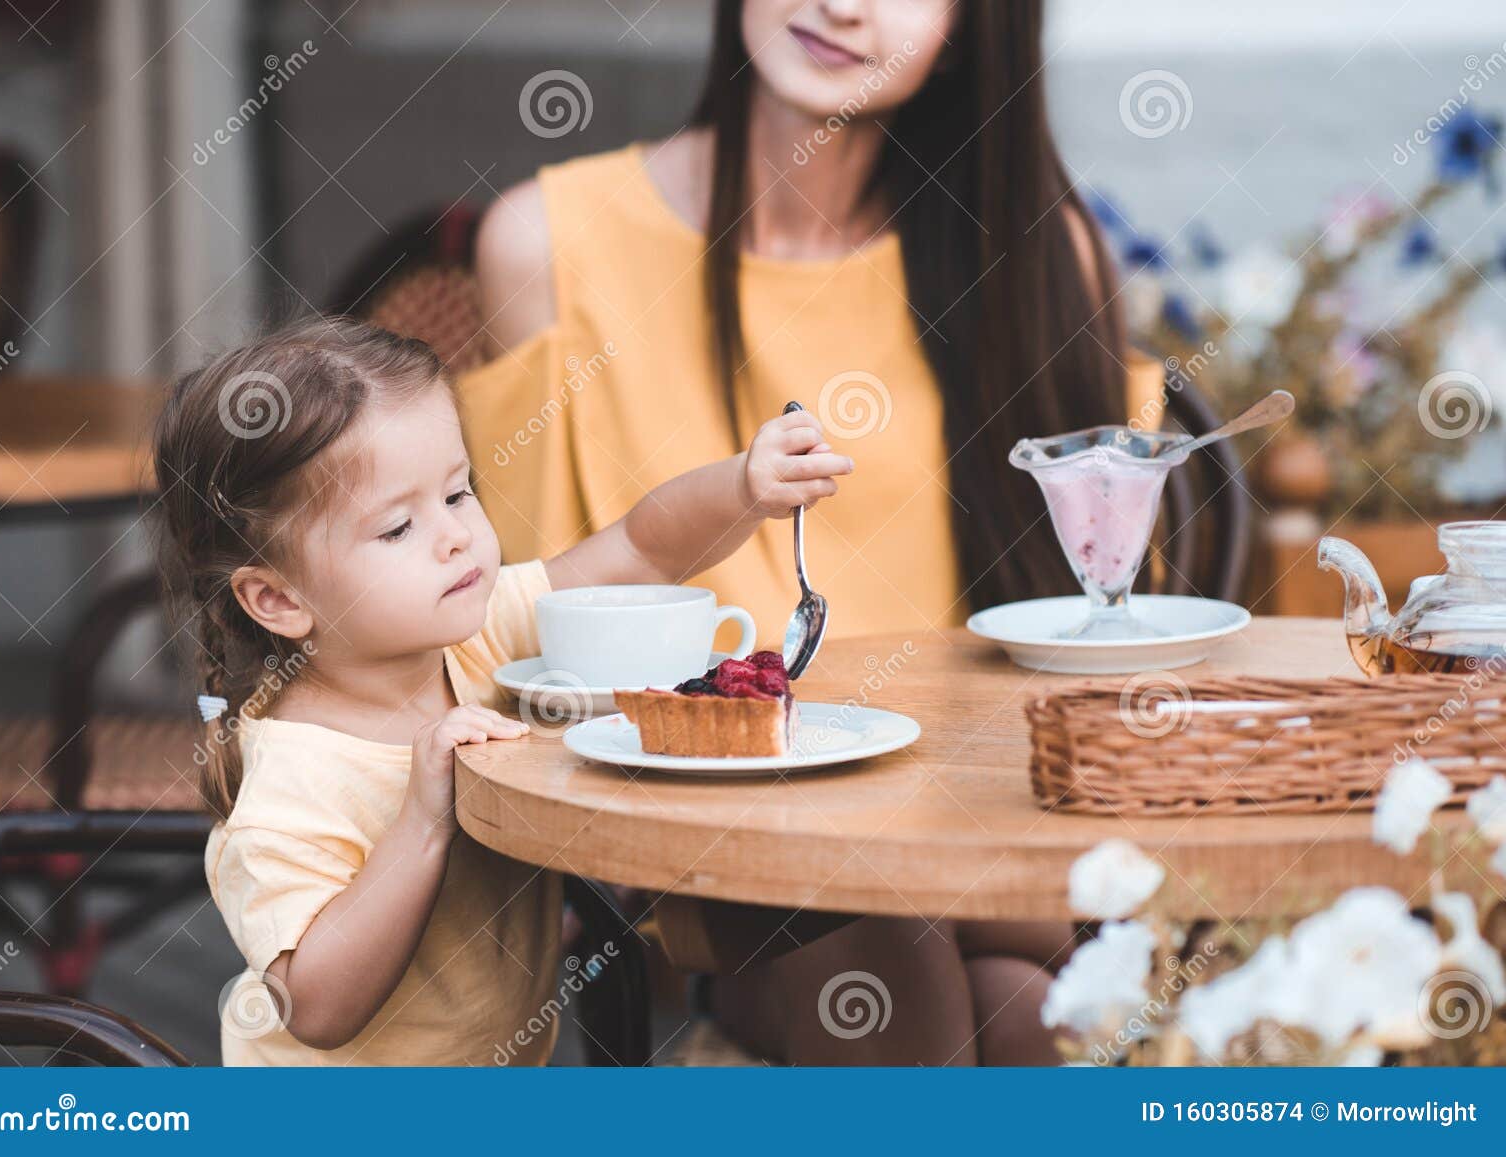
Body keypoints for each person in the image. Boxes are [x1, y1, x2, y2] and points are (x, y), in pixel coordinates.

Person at [463, 0, 1163, 1064]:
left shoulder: (1033, 250)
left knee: (1020, 1007)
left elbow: (1098, 611)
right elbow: (522, 615)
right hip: (690, 821)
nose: (843, 5)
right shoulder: (547, 241)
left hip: (969, 820)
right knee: (898, 953)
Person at [151, 317, 851, 1064]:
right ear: (279, 599)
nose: (455, 535)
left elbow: (643, 547)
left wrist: (743, 487)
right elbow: (315, 1005)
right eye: (397, 528)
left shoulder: (474, 635)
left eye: (457, 493)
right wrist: (422, 824)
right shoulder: (293, 779)